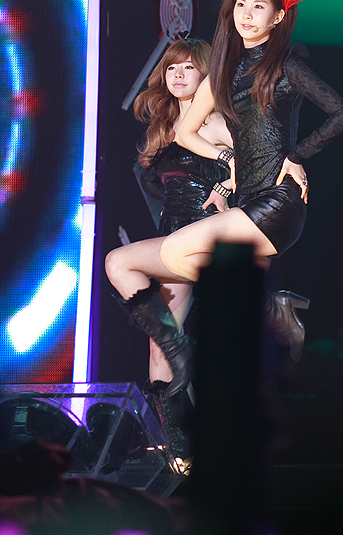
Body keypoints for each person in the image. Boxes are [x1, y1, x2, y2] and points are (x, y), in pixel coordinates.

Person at [145, 0, 343, 383]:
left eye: (258, 6)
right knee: (215, 320)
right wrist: (228, 162)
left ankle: (272, 309)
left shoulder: (285, 65)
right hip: (241, 204)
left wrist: (297, 155)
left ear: (277, 17)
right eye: (241, 4)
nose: (246, 14)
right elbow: (188, 135)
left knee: (171, 256)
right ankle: (271, 311)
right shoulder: (223, 71)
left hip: (277, 201)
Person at [104, 37, 230, 468]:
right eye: (172, 67)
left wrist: (225, 193)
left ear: (207, 74)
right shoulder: (165, 127)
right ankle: (186, 452)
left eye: (189, 67)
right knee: (160, 348)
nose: (178, 74)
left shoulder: (216, 122)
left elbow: (253, 172)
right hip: (172, 239)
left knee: (118, 263)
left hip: (203, 237)